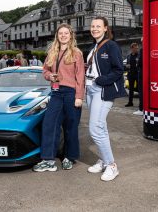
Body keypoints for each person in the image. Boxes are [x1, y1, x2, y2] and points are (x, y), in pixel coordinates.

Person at [33, 23, 85, 172]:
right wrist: (50, 76)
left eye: (66, 33)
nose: (63, 35)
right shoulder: (52, 52)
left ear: (71, 35)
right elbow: (45, 70)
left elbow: (80, 76)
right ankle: (48, 160)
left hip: (71, 93)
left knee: (70, 127)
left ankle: (69, 157)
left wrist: (79, 96)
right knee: (49, 124)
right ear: (57, 35)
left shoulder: (76, 53)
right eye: (60, 33)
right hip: (56, 93)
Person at [85, 16, 127, 181]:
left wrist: (100, 80)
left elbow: (118, 70)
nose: (94, 28)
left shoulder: (111, 45)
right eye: (93, 26)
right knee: (101, 127)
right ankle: (103, 160)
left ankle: (111, 165)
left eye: (98, 26)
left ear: (105, 28)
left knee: (95, 128)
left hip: (102, 90)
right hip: (90, 89)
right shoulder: (93, 46)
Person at [125, 43, 139, 107]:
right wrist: (127, 66)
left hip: (138, 74)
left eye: (137, 48)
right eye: (135, 48)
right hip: (130, 74)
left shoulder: (139, 55)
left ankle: (141, 104)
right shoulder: (128, 56)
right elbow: (126, 65)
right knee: (131, 89)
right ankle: (130, 102)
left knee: (140, 89)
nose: (137, 49)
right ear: (132, 48)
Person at [133, 37, 144, 116]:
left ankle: (141, 109)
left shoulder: (142, 50)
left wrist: (137, 64)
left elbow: (139, 62)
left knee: (141, 91)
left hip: (142, 73)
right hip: (148, 74)